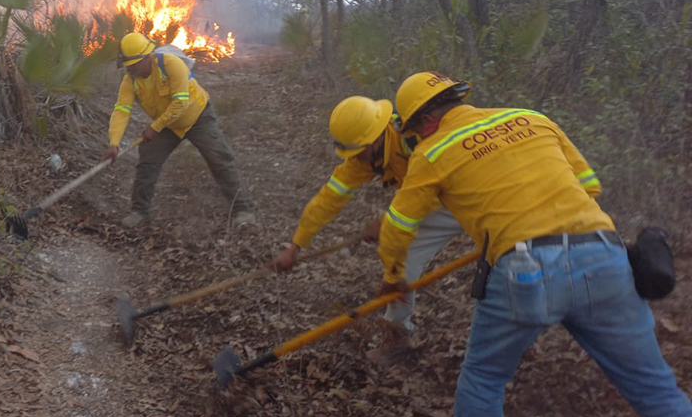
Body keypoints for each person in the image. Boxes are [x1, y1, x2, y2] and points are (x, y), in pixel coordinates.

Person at [376, 71, 692, 417]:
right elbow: (590, 186)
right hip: (602, 256)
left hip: (524, 270)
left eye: (413, 133)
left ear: (422, 123)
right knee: (658, 391)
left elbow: (398, 227)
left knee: (485, 378)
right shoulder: (532, 118)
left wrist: (392, 275)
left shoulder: (432, 153)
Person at [273, 95, 463, 336]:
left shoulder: (416, 136)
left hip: (465, 192)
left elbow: (438, 186)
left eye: (359, 151)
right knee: (400, 262)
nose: (355, 158)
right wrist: (295, 246)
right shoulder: (362, 158)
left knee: (504, 255)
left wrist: (389, 223)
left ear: (376, 138)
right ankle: (397, 335)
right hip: (431, 203)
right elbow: (327, 200)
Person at [103, 32, 256, 228]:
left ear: (146, 58)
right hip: (167, 124)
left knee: (220, 159)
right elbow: (122, 110)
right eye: (127, 66)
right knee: (148, 161)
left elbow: (180, 103)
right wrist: (114, 143)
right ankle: (139, 211)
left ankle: (243, 209)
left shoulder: (171, 64)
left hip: (197, 116)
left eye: (132, 65)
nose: (130, 70)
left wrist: (155, 127)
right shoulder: (130, 80)